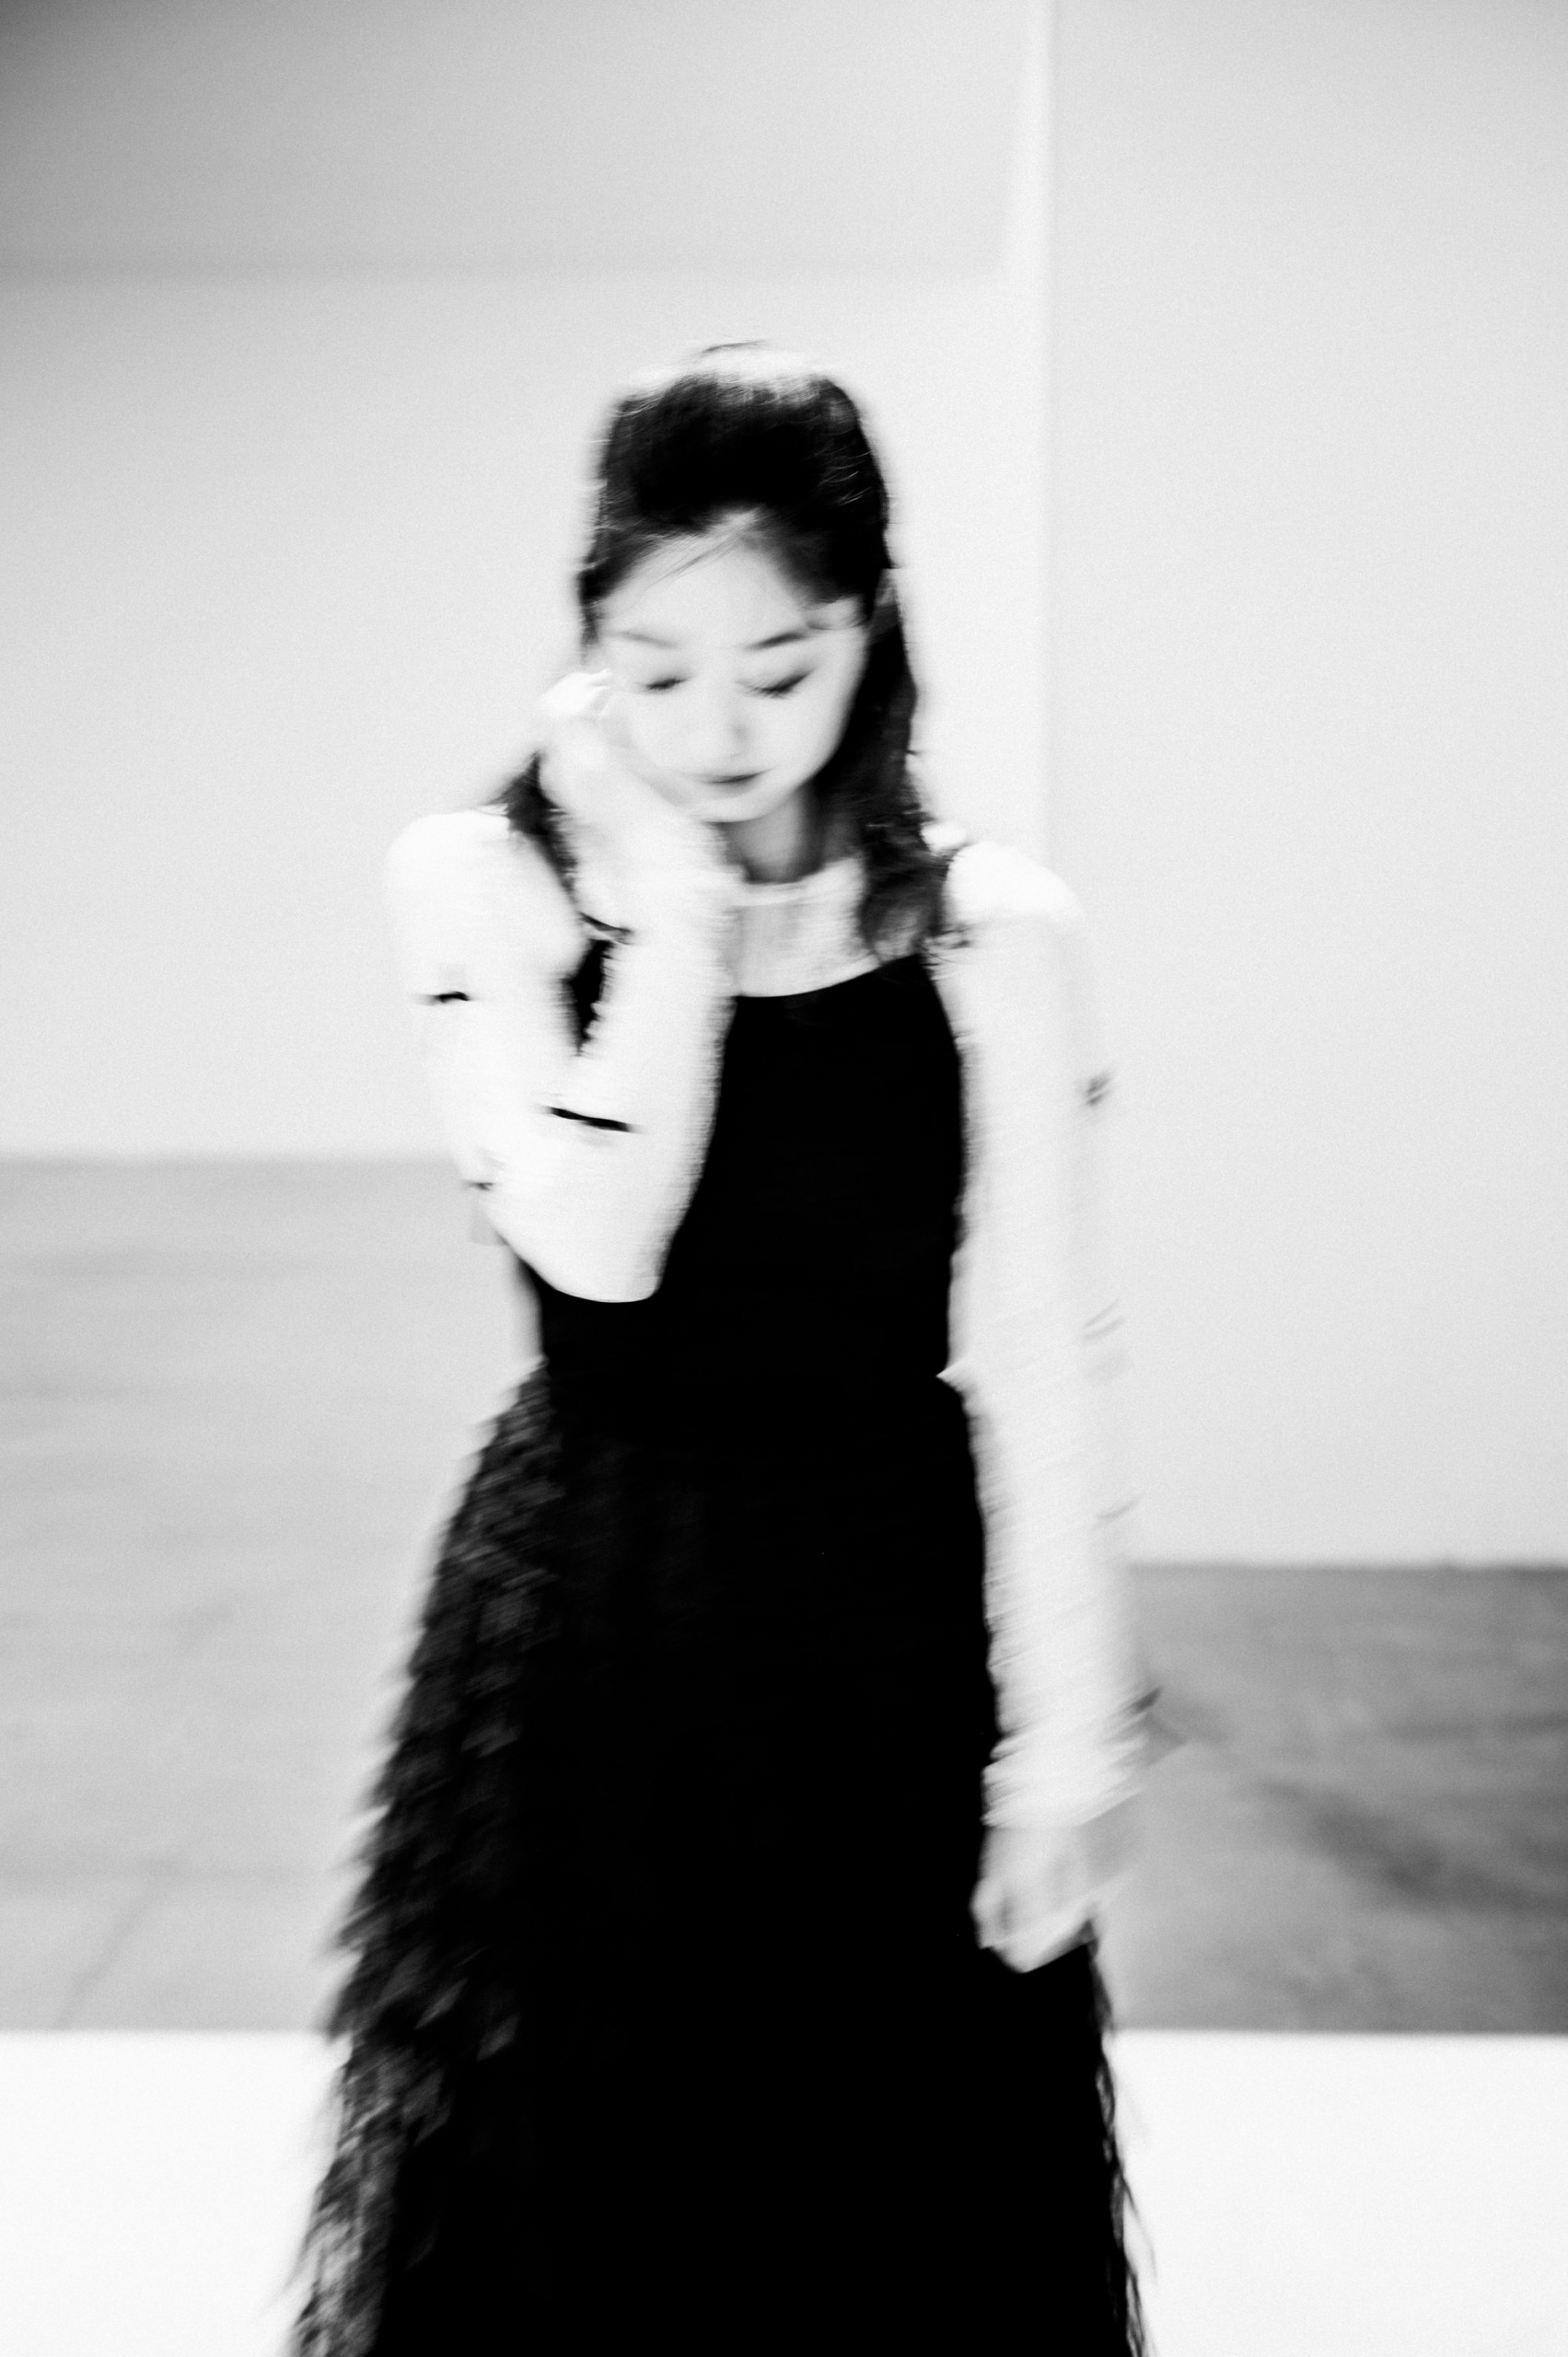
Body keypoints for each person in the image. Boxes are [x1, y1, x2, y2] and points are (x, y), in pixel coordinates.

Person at [293, 342, 1153, 2353]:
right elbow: (598, 1248)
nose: (720, 728)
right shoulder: (483, 883)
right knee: (571, 2213)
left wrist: (1065, 1751)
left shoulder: (993, 933)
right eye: (656, 670)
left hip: (882, 1613)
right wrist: (676, 912)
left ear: (873, 633)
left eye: (782, 666)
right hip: (589, 1603)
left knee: (888, 2206)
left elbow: (1045, 1352)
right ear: (585, 650)